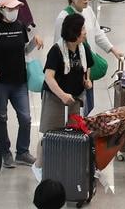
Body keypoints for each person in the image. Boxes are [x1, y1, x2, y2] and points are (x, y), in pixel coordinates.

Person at [0, 0, 43, 169]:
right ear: (2, 9)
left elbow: (24, 51)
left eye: (17, 7)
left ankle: (22, 152)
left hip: (19, 81)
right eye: (12, 8)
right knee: (1, 118)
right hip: (0, 83)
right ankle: (4, 151)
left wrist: (34, 43)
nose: (16, 11)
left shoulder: (20, 26)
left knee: (26, 118)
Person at [53, 0, 125, 113]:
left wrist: (112, 49)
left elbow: (98, 33)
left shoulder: (88, 11)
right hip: (73, 71)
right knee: (78, 108)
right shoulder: (63, 18)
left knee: (88, 104)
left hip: (87, 67)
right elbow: (58, 46)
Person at [35, 13, 93, 179]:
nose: (85, 31)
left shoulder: (83, 48)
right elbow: (49, 77)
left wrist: (87, 80)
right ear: (73, 32)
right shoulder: (56, 51)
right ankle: (39, 166)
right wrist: (61, 95)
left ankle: (66, 166)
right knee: (50, 134)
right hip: (55, 97)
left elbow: (86, 66)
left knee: (74, 133)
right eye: (82, 29)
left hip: (74, 97)